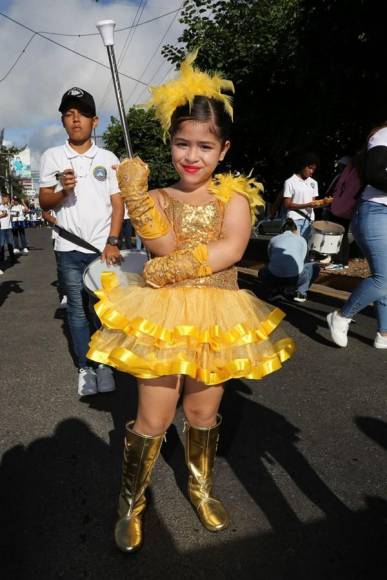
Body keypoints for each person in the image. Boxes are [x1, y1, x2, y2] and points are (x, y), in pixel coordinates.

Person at [86, 52, 296, 553]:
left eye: (204, 145)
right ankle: (130, 501)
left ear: (223, 150)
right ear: (171, 144)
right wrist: (137, 199)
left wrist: (176, 266)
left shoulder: (235, 199)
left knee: (202, 415)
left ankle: (200, 488)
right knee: (153, 418)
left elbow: (233, 249)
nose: (192, 155)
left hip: (218, 316)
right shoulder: (157, 196)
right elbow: (158, 246)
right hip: (163, 317)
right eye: (182, 143)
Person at [39, 87, 124, 395]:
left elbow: (118, 203)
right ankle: (86, 367)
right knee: (76, 310)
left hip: (103, 251)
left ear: (95, 121)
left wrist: (114, 240)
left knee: (103, 310)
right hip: (68, 250)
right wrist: (62, 190)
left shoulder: (108, 157)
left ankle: (105, 365)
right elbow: (44, 202)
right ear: (63, 121)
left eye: (82, 114)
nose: (75, 120)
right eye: (69, 114)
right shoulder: (52, 156)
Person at [327, 122, 387, 349]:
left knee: (384, 276)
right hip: (376, 211)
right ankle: (341, 316)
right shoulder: (384, 134)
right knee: (384, 277)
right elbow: (375, 173)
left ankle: (384, 333)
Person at [258, 218, 320, 302]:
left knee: (263, 271)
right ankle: (301, 293)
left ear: (281, 230)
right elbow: (302, 260)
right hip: (295, 278)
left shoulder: (273, 239)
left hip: (274, 277)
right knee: (314, 266)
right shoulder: (302, 240)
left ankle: (274, 290)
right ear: (296, 230)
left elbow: (270, 258)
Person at [282, 153, 320, 241]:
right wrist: (307, 205)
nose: (311, 171)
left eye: (313, 169)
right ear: (302, 166)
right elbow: (287, 204)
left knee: (304, 248)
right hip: (294, 220)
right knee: (293, 247)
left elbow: (313, 203)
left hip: (309, 221)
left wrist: (322, 203)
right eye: (310, 168)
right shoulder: (290, 182)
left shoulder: (314, 183)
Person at [42, 209, 67, 309]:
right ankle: (65, 295)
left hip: (83, 238)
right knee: (63, 268)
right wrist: (59, 222)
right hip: (59, 237)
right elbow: (45, 213)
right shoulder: (57, 195)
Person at [0, 193, 15, 274]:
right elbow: (3, 214)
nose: (8, 199)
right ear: (3, 198)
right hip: (1, 228)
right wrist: (3, 214)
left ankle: (12, 258)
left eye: (8, 198)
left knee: (10, 243)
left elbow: (9, 211)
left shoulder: (6, 206)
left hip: (8, 228)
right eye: (7, 198)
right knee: (1, 245)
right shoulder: (0, 206)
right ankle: (1, 261)